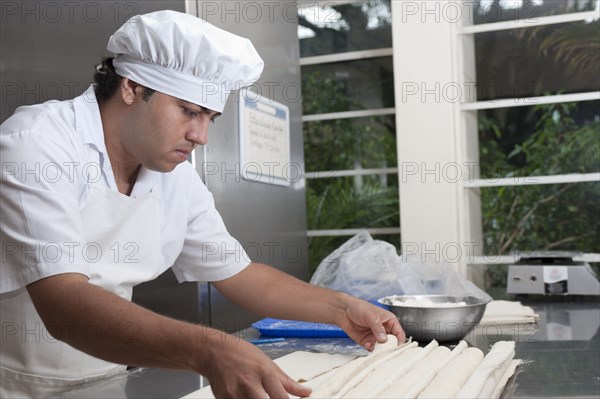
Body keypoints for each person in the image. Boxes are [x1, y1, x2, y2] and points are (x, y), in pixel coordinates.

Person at [0, 10, 404, 398]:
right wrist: (207, 348)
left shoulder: (174, 175)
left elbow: (240, 275)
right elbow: (64, 306)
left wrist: (342, 308)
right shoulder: (38, 143)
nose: (200, 136)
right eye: (189, 112)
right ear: (132, 88)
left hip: (109, 377)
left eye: (210, 117)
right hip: (17, 383)